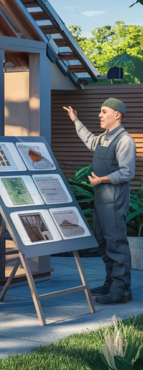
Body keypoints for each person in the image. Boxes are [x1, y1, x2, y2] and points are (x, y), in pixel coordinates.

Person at [64, 98, 136, 304]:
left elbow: (127, 172)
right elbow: (90, 141)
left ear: (117, 115)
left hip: (114, 200)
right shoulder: (104, 138)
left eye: (104, 112)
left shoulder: (124, 140)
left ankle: (121, 290)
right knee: (103, 242)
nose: (100, 115)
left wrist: (101, 180)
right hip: (101, 199)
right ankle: (110, 284)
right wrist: (76, 121)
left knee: (116, 244)